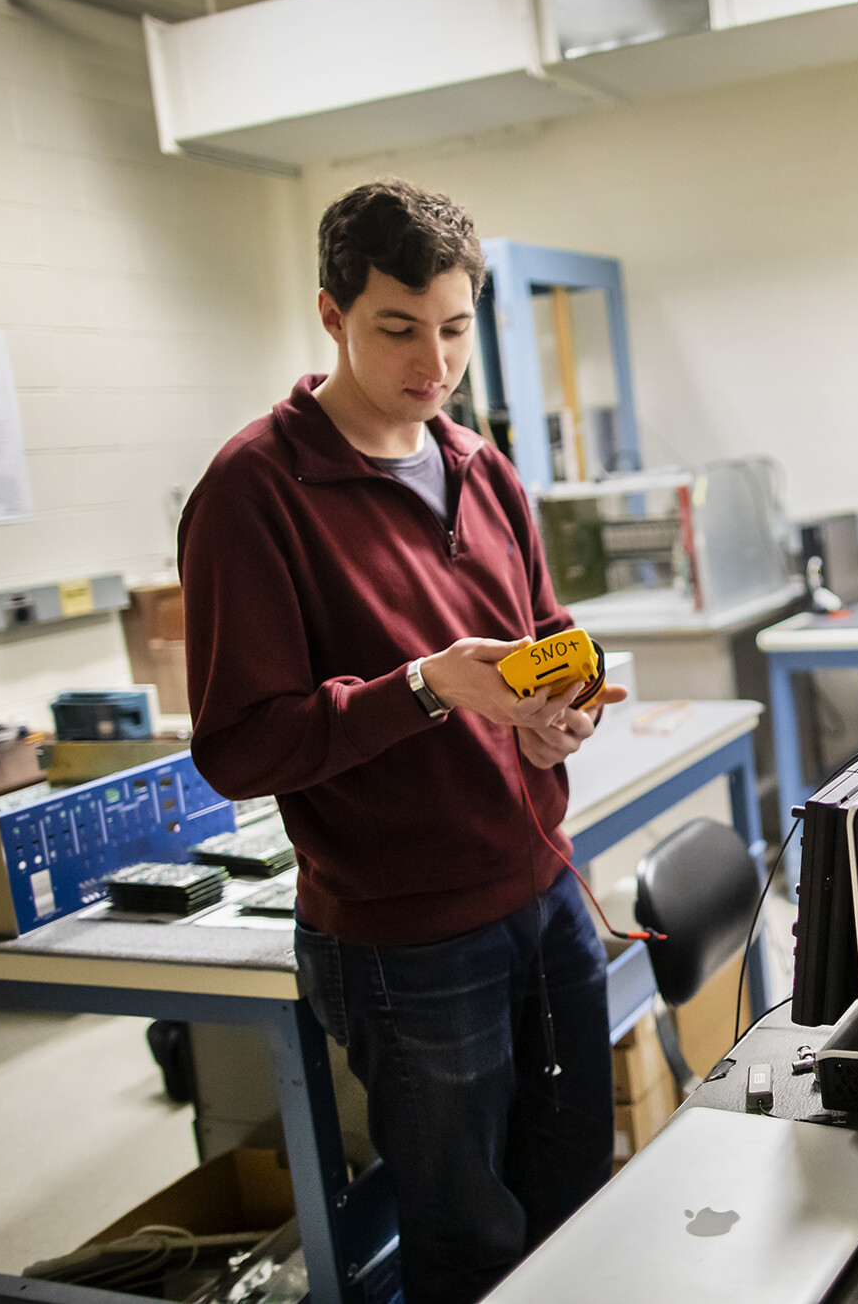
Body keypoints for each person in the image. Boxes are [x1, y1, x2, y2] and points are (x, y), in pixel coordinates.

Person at [178, 178, 627, 1304]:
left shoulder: (481, 466)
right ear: (330, 315)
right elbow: (239, 745)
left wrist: (557, 711)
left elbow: (546, 629)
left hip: (544, 892)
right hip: (406, 940)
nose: (434, 364)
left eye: (456, 329)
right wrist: (423, 687)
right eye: (398, 329)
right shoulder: (254, 492)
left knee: (581, 1191)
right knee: (468, 1237)